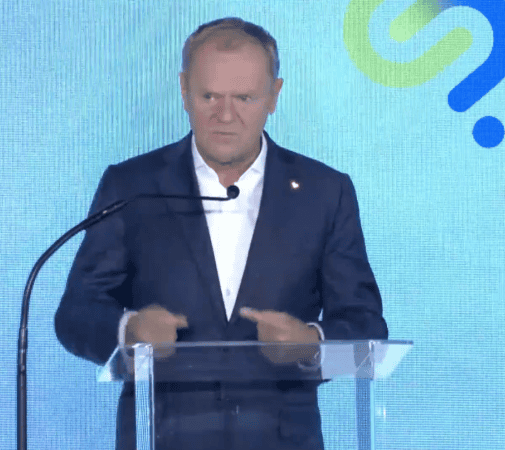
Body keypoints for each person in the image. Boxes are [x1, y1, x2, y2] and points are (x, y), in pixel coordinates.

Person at [55, 17, 388, 450]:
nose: (225, 116)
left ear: (274, 95)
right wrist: (128, 331)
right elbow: (76, 313)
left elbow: (366, 324)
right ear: (183, 90)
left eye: (244, 98)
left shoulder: (324, 192)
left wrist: (312, 343)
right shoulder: (131, 186)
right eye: (209, 95)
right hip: (162, 438)